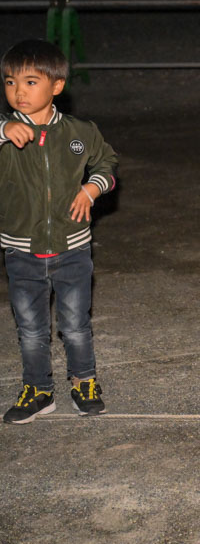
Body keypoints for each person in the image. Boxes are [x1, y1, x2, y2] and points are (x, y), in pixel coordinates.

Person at [1, 40, 117, 424]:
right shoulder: (6, 134)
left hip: (72, 248)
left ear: (57, 85)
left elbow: (107, 163)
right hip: (22, 250)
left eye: (30, 82)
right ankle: (38, 390)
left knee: (75, 325)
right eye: (10, 82)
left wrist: (92, 188)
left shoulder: (79, 131)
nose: (19, 91)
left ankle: (84, 382)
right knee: (31, 329)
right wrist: (5, 128)